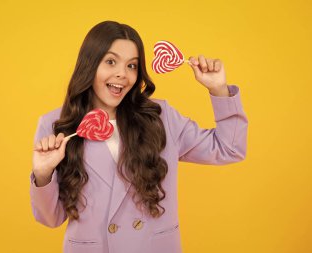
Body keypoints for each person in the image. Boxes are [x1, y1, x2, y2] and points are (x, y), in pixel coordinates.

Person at [30, 20, 248, 253]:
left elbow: (229, 148)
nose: (122, 74)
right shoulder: (56, 125)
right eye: (111, 62)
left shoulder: (160, 118)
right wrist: (43, 175)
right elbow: (50, 219)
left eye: (132, 66)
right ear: (90, 65)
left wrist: (218, 90)